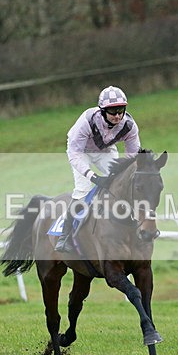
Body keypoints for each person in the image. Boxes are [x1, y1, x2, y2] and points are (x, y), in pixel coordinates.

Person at [54, 85, 141, 253]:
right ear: (102, 111)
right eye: (112, 112)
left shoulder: (129, 125)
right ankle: (65, 235)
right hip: (81, 152)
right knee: (83, 189)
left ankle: (129, 224)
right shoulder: (86, 122)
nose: (117, 116)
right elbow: (75, 154)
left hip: (106, 150)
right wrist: (92, 176)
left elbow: (133, 156)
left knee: (121, 183)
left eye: (121, 110)